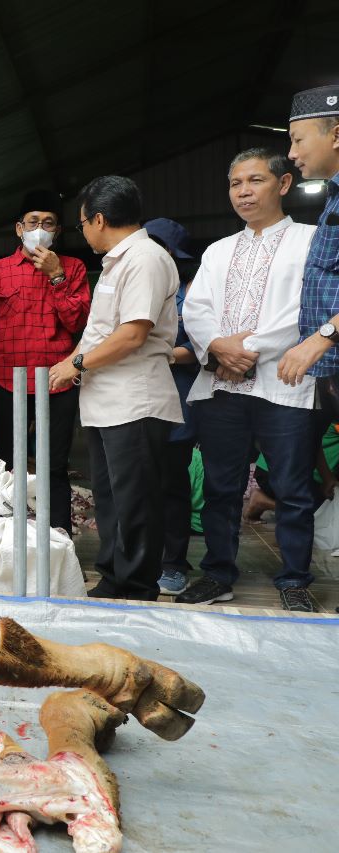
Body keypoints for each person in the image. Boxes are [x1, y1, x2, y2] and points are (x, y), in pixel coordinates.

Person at [178, 149, 319, 611]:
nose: (243, 192)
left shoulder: (310, 241)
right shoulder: (218, 251)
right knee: (221, 487)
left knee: (293, 487)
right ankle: (218, 574)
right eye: (235, 183)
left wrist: (243, 349)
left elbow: (306, 312)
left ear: (282, 185)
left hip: (284, 381)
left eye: (255, 180)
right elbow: (195, 310)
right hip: (223, 386)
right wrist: (217, 346)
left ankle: (294, 579)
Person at [49, 176, 182, 601]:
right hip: (107, 401)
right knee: (109, 498)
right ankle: (113, 577)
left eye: (82, 222)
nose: (82, 231)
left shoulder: (145, 257)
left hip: (135, 400)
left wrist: (76, 363)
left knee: (135, 501)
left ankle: (136, 585)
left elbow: (132, 334)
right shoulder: (118, 260)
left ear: (100, 219)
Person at [0, 190, 89, 535]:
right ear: (19, 228)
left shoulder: (74, 268)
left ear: (59, 232)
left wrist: (56, 277)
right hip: (7, 382)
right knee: (9, 466)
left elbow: (78, 324)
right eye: (33, 222)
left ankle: (59, 540)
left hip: (58, 382)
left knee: (54, 466)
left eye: (48, 223)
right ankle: (12, 537)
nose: (40, 228)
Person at [278, 85, 339, 612]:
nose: (293, 153)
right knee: (294, 472)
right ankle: (296, 580)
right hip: (328, 370)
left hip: (329, 355)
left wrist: (321, 338)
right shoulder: (334, 198)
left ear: (336, 133)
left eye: (298, 140)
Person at [141, 218, 201, 596]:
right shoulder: (133, 286)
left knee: (171, 486)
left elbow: (201, 349)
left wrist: (161, 354)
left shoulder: (191, 295)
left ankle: (174, 563)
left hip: (175, 401)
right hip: (136, 401)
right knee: (141, 485)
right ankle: (144, 558)